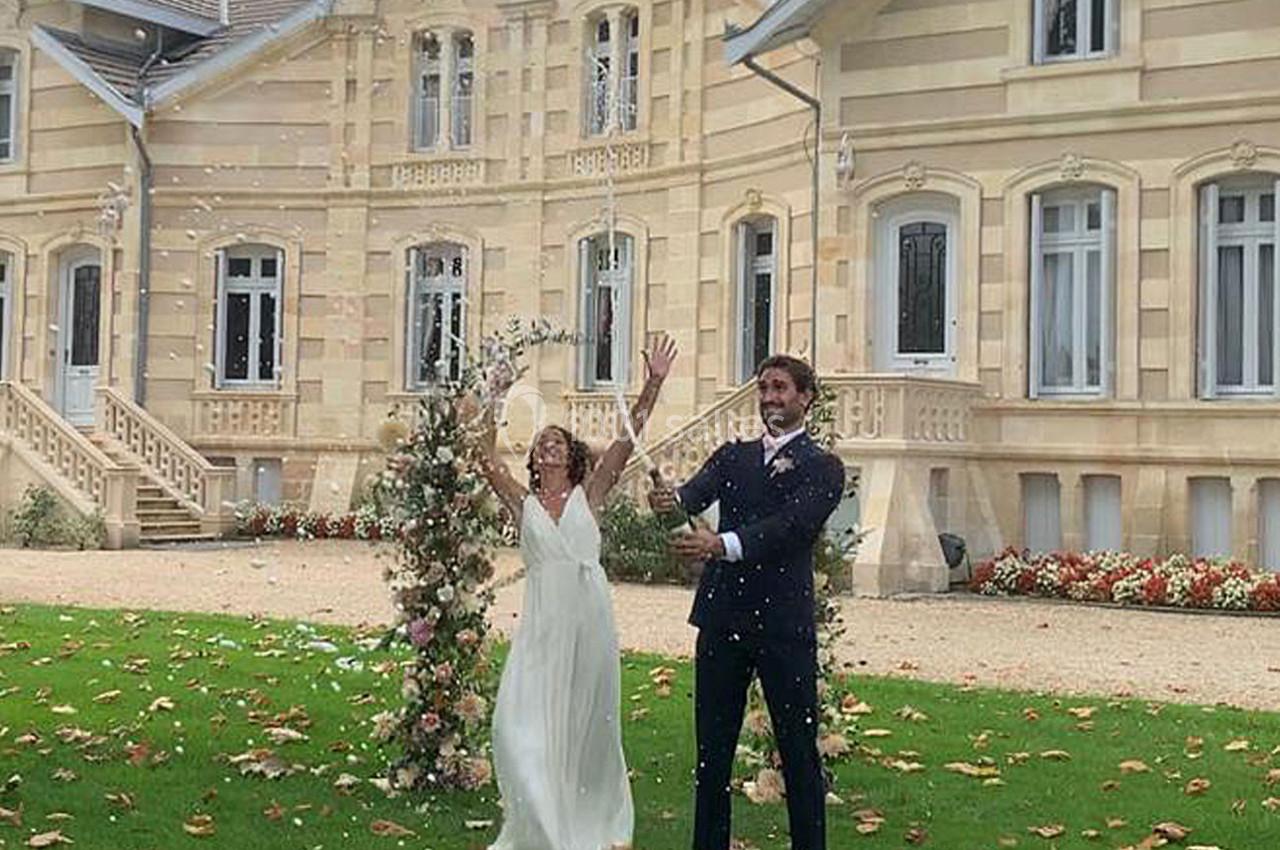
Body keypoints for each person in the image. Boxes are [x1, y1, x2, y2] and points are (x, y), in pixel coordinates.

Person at [478, 333, 678, 850]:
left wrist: (653, 383)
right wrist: (493, 396)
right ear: (534, 457)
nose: (548, 444)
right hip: (542, 621)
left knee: (584, 721)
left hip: (589, 616)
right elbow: (484, 458)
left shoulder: (592, 492)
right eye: (541, 441)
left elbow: (628, 438)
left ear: (572, 455)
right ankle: (540, 819)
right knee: (515, 721)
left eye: (558, 441)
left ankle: (582, 815)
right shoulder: (522, 502)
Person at [649, 354, 844, 850]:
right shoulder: (732, 456)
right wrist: (668, 503)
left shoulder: (823, 468)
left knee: (798, 751)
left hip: (783, 625)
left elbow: (792, 528)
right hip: (722, 619)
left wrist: (721, 544)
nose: (769, 397)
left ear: (805, 397)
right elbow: (690, 496)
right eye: (763, 388)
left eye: (780, 388)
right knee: (712, 755)